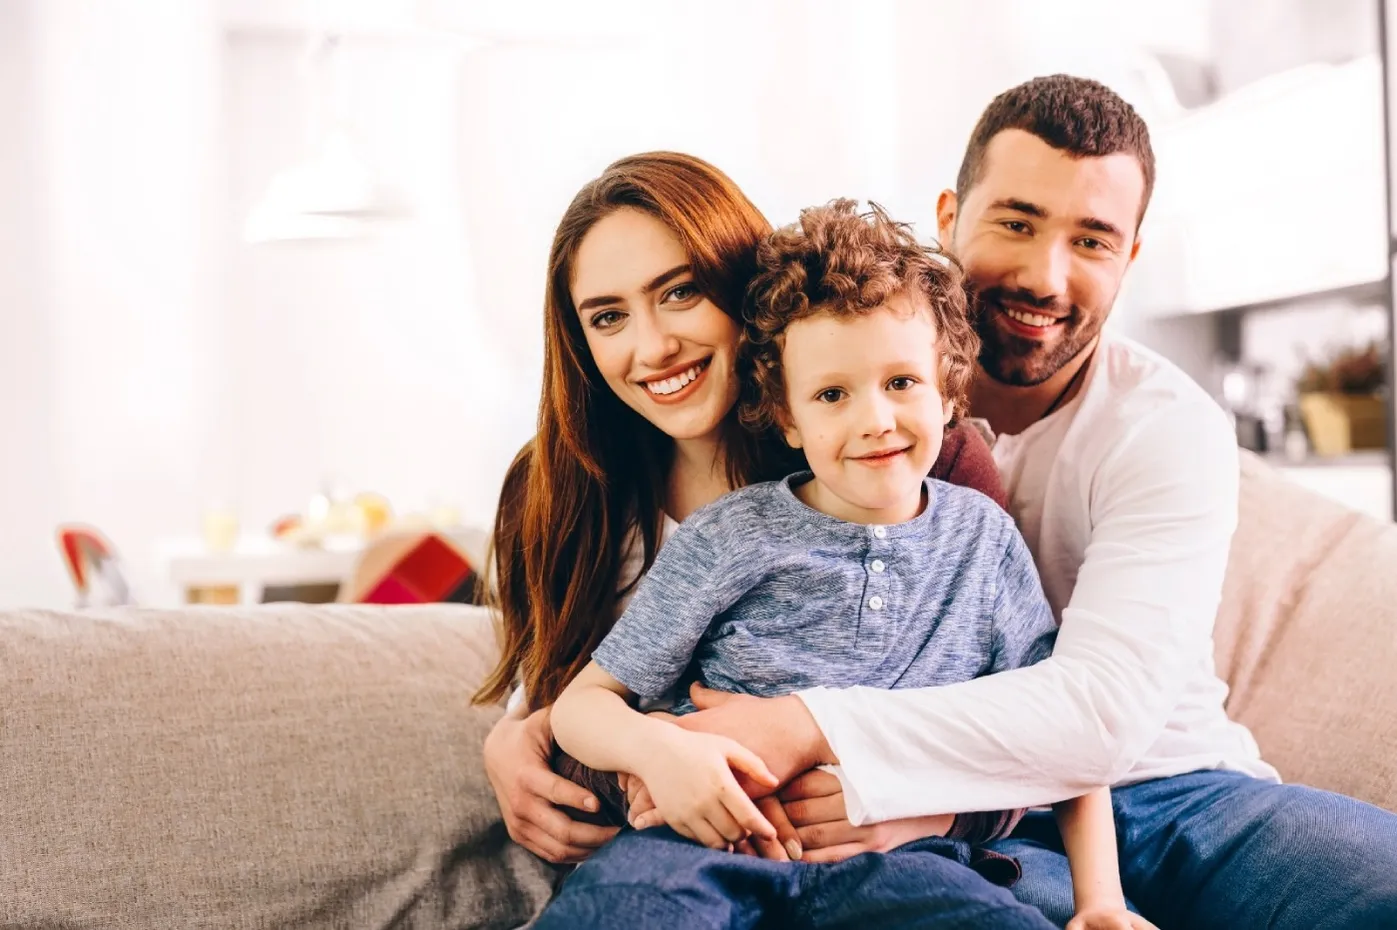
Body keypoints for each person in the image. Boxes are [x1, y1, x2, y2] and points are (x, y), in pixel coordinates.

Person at [617, 76, 1397, 929]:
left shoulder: (1164, 429)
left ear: (1130, 257)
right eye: (1016, 223)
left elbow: (1100, 714)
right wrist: (530, 729)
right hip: (976, 835)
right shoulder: (838, 402)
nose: (1043, 275)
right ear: (949, 216)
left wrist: (816, 727)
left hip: (1171, 789)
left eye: (1092, 240)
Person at [536, 200, 1148, 930]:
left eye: (901, 383)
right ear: (787, 418)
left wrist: (1101, 901)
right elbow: (583, 704)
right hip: (696, 849)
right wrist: (661, 755)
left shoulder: (982, 542)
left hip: (904, 866)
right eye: (831, 394)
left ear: (950, 387)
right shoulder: (728, 536)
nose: (874, 420)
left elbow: (1059, 738)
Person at [472, 153, 1019, 911]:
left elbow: (1027, 710)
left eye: (681, 292)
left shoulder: (915, 463)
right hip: (681, 861)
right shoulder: (557, 489)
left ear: (743, 290)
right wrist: (513, 737)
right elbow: (566, 688)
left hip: (888, 858)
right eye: (608, 316)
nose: (653, 345)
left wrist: (932, 806)